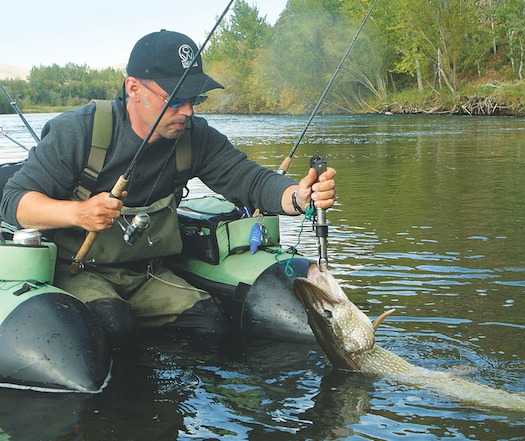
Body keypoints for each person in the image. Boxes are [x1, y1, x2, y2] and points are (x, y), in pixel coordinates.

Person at [0, 30, 336, 347]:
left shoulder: (195, 137)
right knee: (115, 325)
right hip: (76, 269)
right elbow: (14, 203)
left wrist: (299, 196)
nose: (187, 110)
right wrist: (79, 213)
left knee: (211, 326)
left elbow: (250, 180)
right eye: (176, 98)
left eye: (195, 98)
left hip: (147, 274)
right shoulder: (79, 130)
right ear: (133, 88)